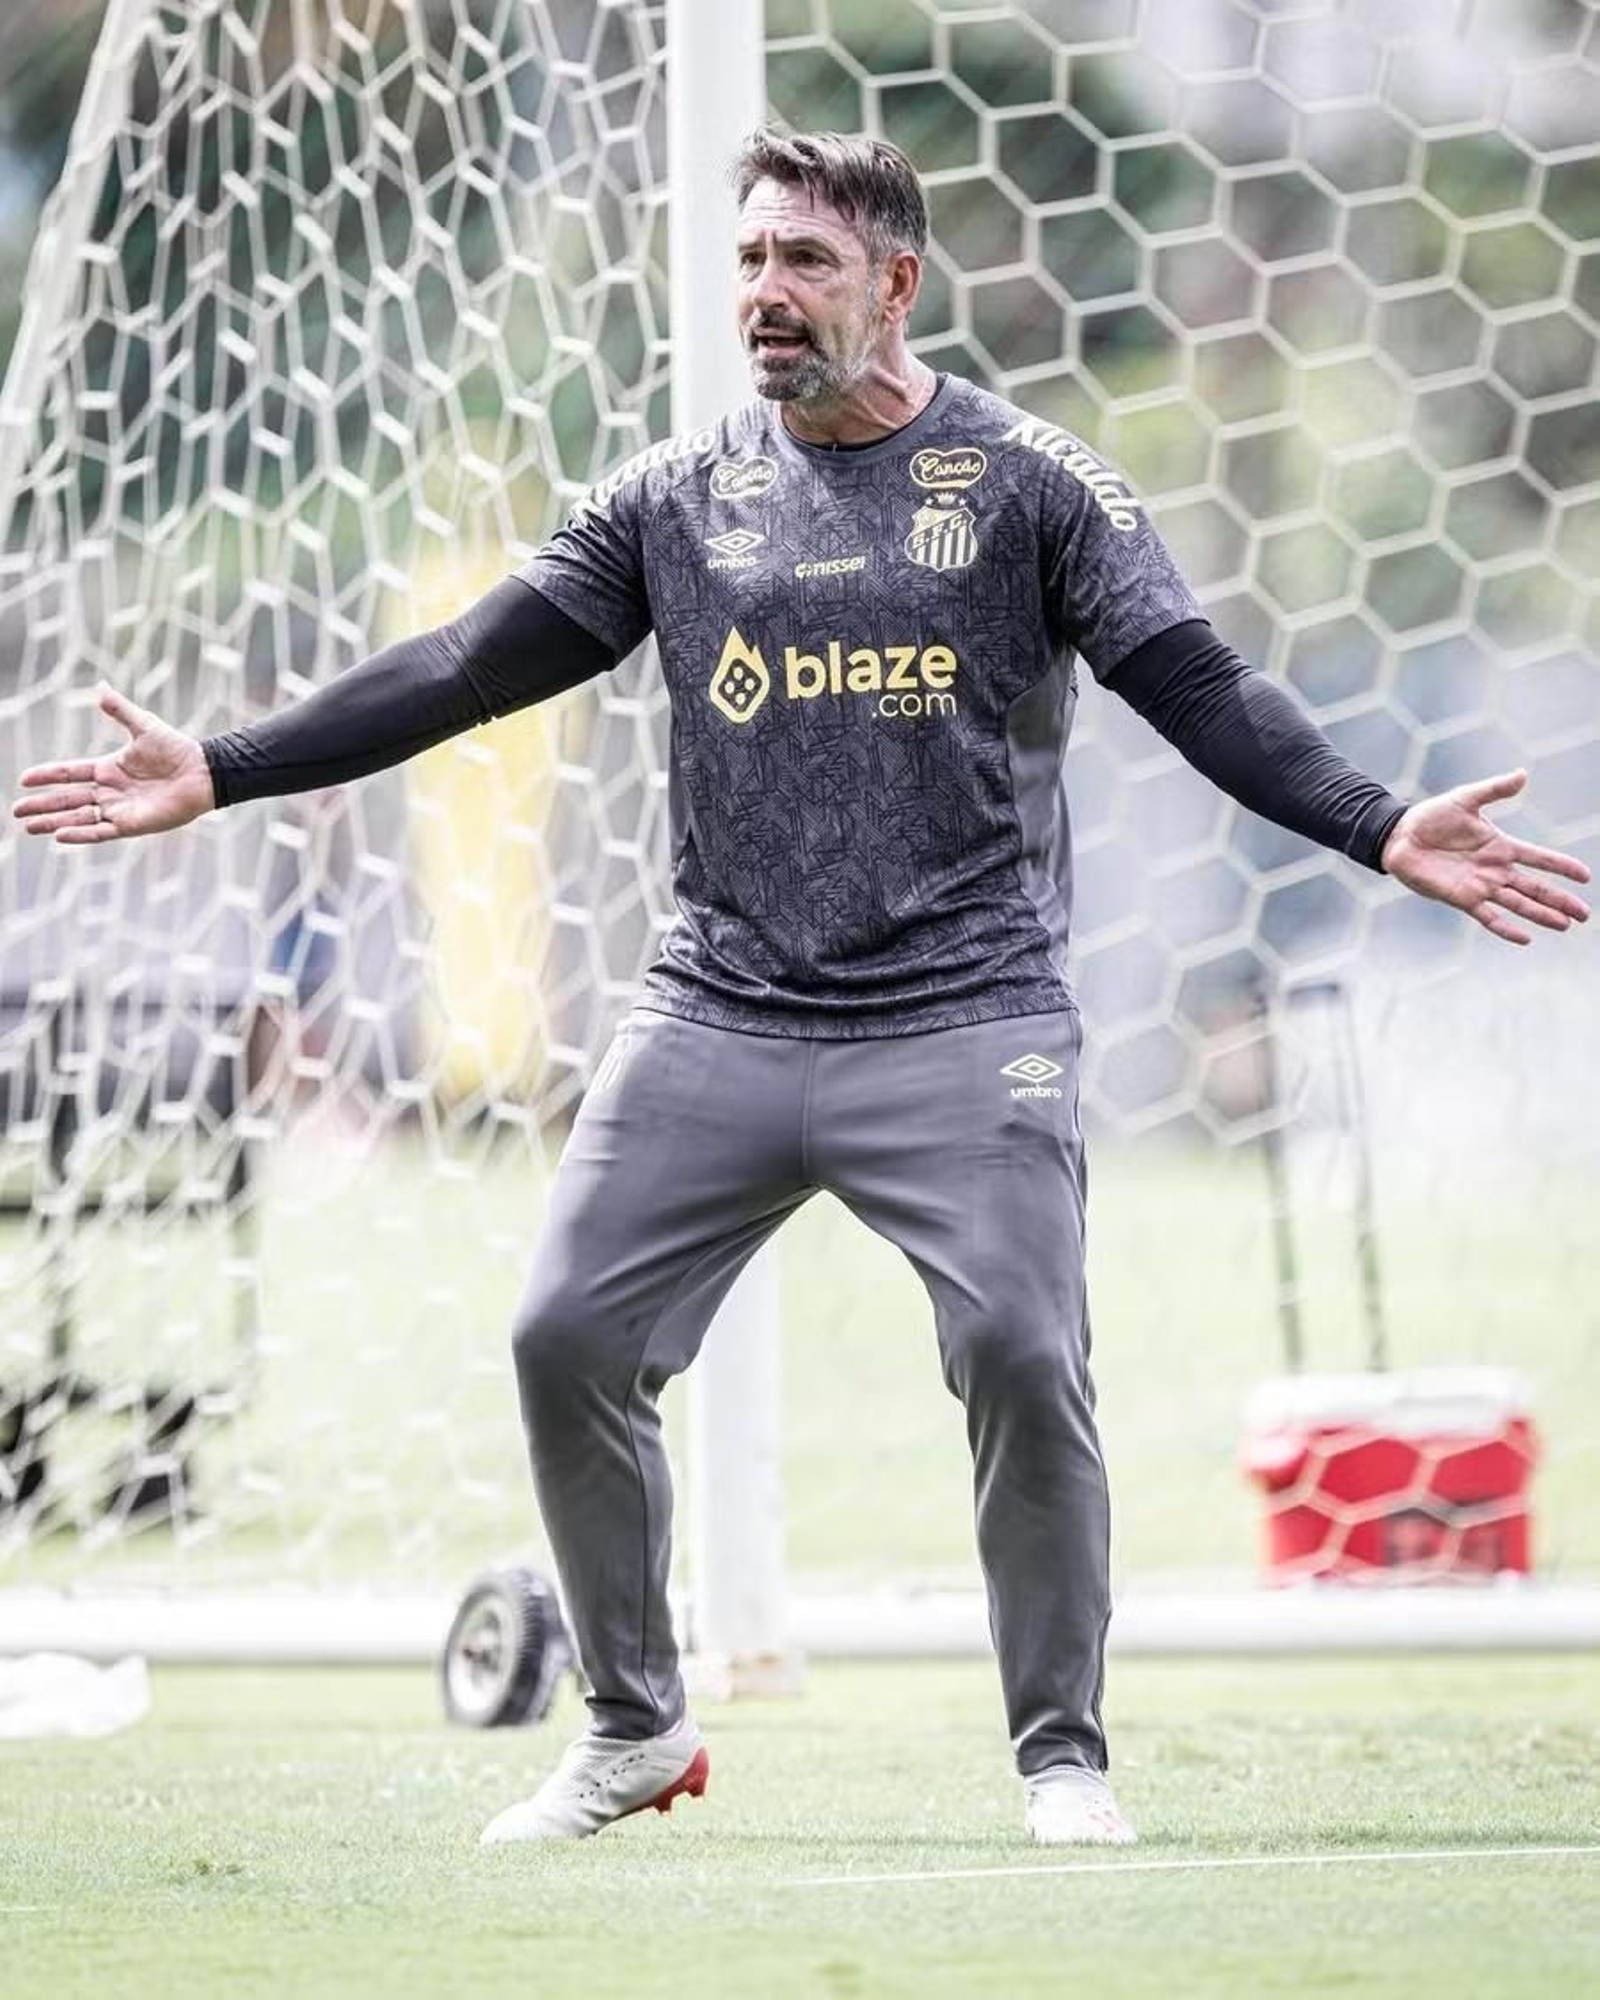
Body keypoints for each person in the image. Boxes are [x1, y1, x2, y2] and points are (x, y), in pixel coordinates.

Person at [12, 129, 1589, 1849]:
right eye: (752, 260)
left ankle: (1062, 1756)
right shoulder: (676, 496)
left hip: (967, 1015)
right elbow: (466, 666)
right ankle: (631, 1727)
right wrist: (226, 767)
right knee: (563, 1335)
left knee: (1016, 1340)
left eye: (807, 265)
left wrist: (1378, 824)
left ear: (895, 283)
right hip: (718, 1012)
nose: (766, 294)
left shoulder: (1034, 487)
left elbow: (1200, 689)